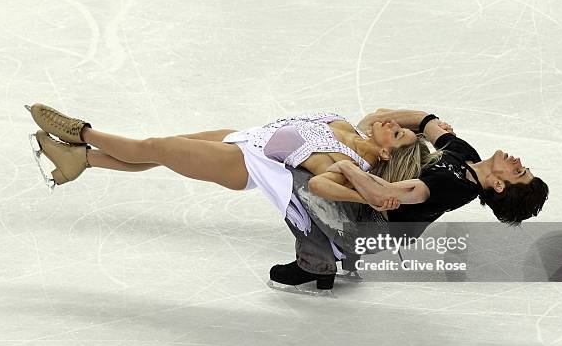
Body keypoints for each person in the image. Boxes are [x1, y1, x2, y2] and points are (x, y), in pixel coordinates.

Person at [25, 103, 439, 251]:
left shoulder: (350, 161)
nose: (388, 122)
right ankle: (82, 162)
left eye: (397, 132)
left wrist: (367, 196)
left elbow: (319, 186)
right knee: (162, 153)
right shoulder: (354, 125)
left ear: (387, 152)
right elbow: (387, 111)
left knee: (156, 147)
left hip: (244, 165)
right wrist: (430, 124)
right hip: (244, 138)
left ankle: (78, 131)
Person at [269, 109, 550, 291]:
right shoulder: (466, 155)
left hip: (371, 229)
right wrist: (427, 120)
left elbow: (384, 195)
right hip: (377, 220)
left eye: (519, 172)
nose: (518, 162)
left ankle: (315, 262)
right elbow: (423, 124)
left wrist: (347, 167)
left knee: (291, 171)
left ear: (499, 185)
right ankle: (342, 253)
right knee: (363, 151)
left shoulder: (454, 187)